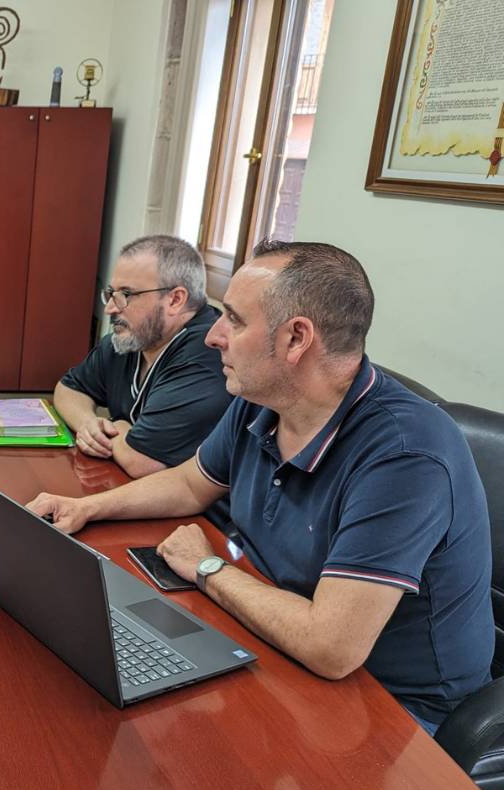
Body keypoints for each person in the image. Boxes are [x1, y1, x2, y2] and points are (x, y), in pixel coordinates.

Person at [28, 241, 493, 734]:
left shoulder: (405, 454)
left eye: (233, 319)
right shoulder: (264, 398)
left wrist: (206, 566)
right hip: (267, 626)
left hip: (387, 712)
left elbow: (331, 647)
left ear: (296, 340)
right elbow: (189, 484)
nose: (214, 336)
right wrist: (85, 507)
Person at [54, 235, 231, 478]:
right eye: (112, 293)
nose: (111, 308)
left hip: (199, 513)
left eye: (126, 294)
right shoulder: (135, 336)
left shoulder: (210, 353)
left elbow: (143, 462)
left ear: (175, 300)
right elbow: (68, 389)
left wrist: (118, 426)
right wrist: (89, 424)